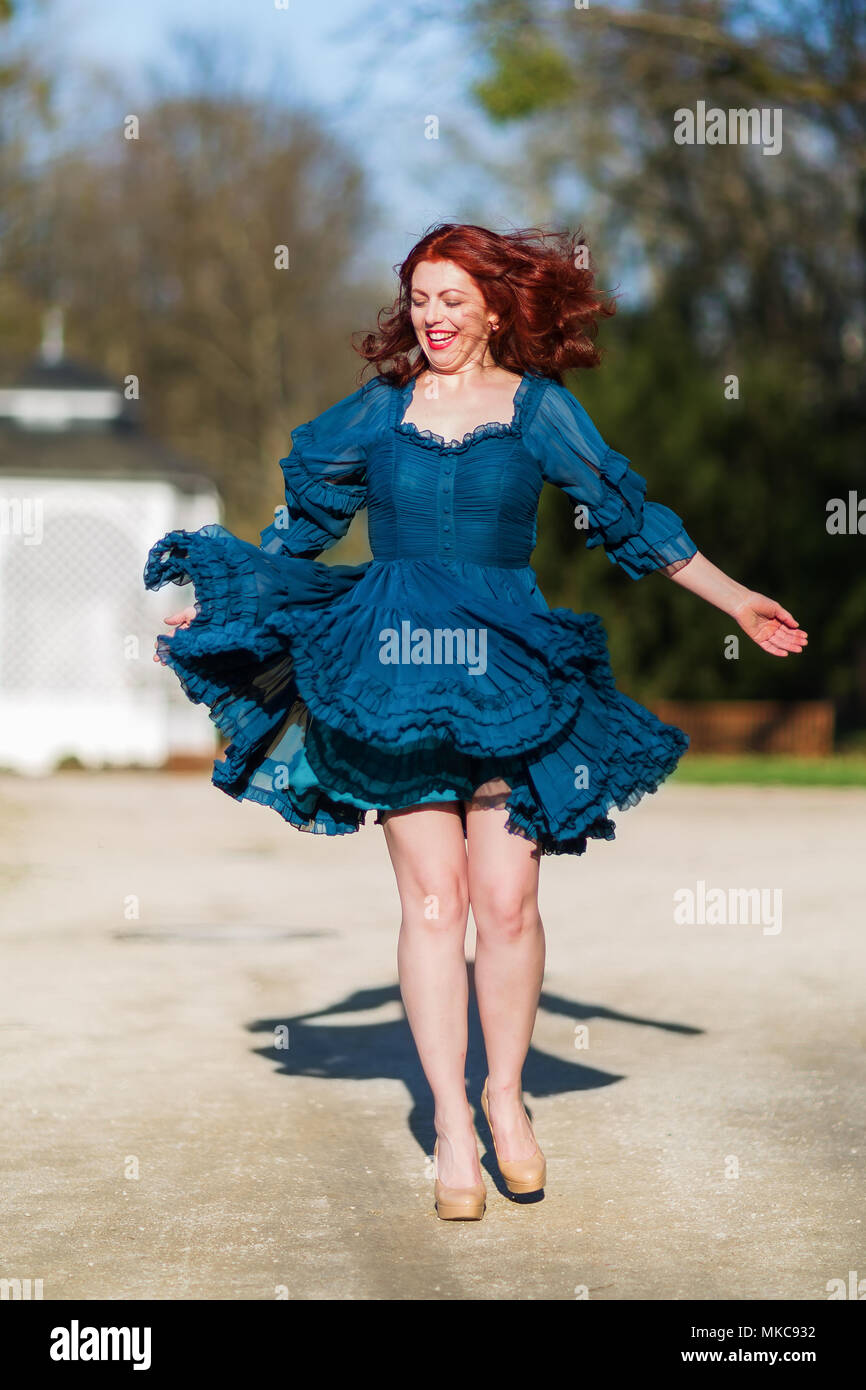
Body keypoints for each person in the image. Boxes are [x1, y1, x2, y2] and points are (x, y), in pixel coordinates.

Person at [144, 223, 807, 1221]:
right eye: (418, 297)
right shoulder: (378, 409)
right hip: (390, 673)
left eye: (451, 297)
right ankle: (450, 1122)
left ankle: (504, 1096)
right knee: (432, 902)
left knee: (505, 902)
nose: (432, 315)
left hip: (511, 671)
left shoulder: (539, 410)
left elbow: (631, 518)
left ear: (493, 305)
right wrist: (224, 610)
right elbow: (303, 532)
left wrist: (736, 600)